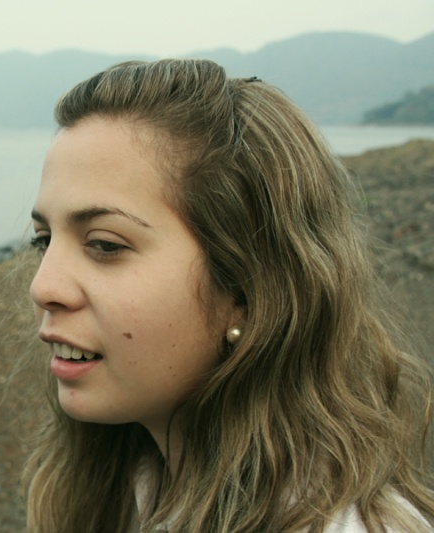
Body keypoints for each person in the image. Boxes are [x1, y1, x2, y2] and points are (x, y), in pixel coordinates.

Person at [22, 58, 434, 532]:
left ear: (249, 287)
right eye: (43, 240)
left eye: (104, 245)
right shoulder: (128, 491)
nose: (42, 286)